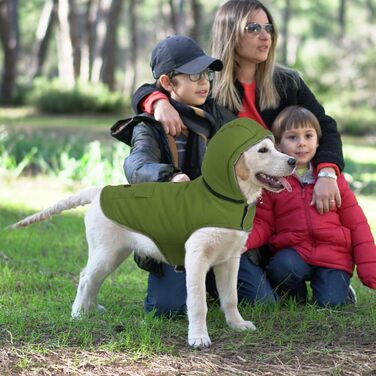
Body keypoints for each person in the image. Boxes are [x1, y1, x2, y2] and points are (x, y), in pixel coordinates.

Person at [112, 35, 277, 316]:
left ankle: (211, 279)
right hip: (174, 231)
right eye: (194, 75)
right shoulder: (149, 126)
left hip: (218, 225)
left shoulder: (217, 115)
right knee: (168, 309)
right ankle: (188, 278)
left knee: (261, 302)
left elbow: (248, 142)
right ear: (167, 83)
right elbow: (137, 164)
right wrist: (168, 178)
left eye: (206, 75)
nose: (204, 82)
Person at [132, 0, 344, 216]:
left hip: (288, 190)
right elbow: (154, 86)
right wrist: (158, 101)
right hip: (237, 197)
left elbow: (324, 126)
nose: (265, 36)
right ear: (230, 34)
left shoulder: (288, 82)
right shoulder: (207, 87)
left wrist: (327, 173)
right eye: (253, 28)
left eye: (268, 28)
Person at [245, 106, 376, 307]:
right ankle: (294, 296)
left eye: (308, 136)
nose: (302, 143)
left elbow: (357, 224)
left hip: (334, 255)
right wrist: (244, 241)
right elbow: (264, 223)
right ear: (278, 144)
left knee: (330, 304)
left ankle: (341, 291)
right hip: (294, 252)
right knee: (281, 267)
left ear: (318, 140)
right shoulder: (273, 182)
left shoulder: (333, 179)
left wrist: (370, 270)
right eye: (292, 137)